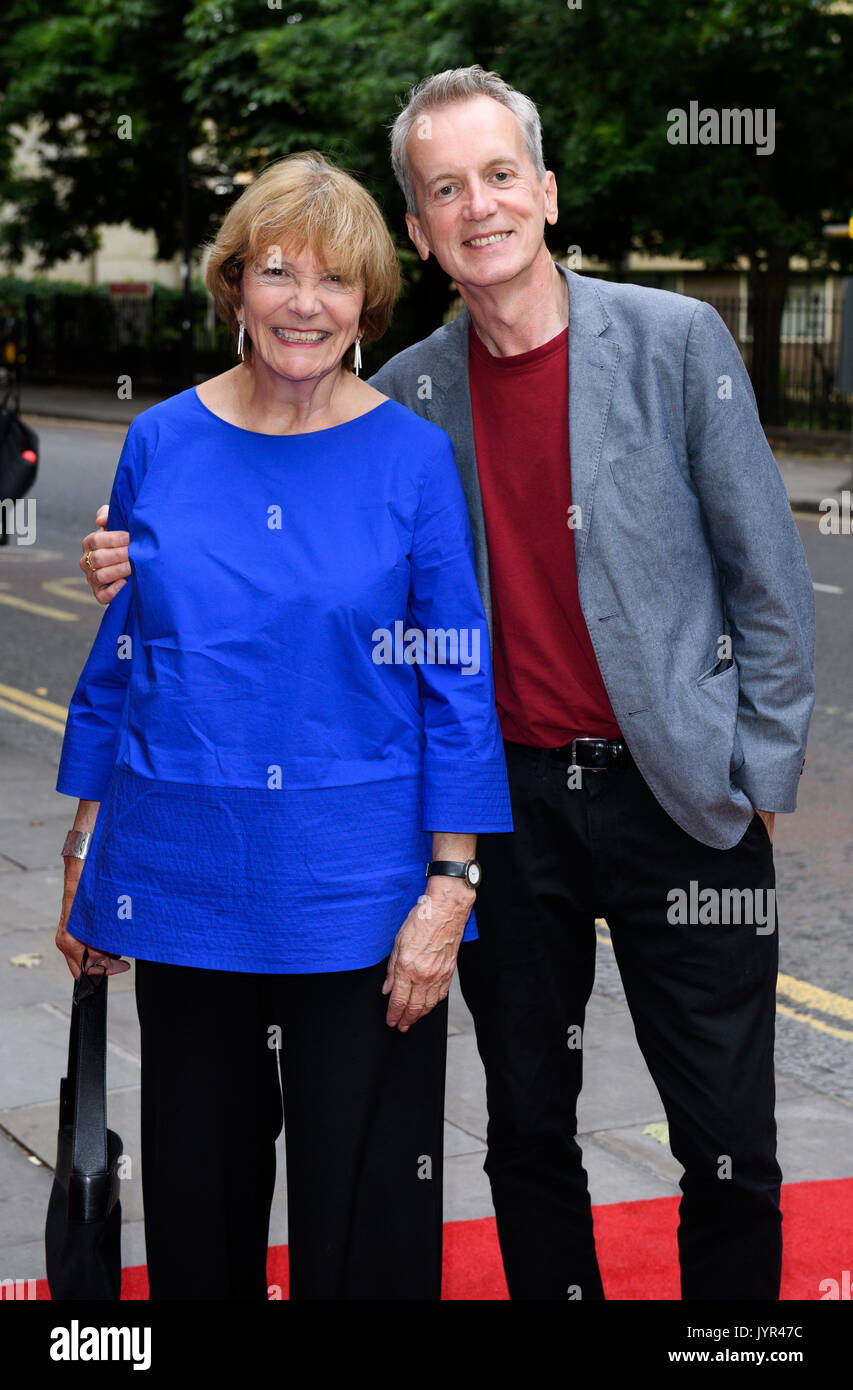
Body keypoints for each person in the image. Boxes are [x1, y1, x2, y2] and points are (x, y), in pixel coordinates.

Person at [80, 67, 816, 1302]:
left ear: (545, 190)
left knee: (727, 1140)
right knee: (527, 1128)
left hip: (679, 797)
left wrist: (757, 774)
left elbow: (770, 582)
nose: (477, 206)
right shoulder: (410, 390)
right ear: (418, 232)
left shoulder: (677, 341)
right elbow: (297, 548)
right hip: (510, 812)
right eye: (442, 189)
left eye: (497, 175)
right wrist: (142, 552)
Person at [55, 150, 512, 1302]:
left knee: (363, 1219)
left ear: (367, 303)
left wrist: (449, 888)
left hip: (358, 904)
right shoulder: (161, 438)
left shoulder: (410, 458)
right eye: (278, 272)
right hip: (186, 874)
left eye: (336, 281)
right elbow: (127, 656)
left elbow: (453, 673)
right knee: (199, 1209)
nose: (306, 303)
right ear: (234, 286)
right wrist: (84, 852)